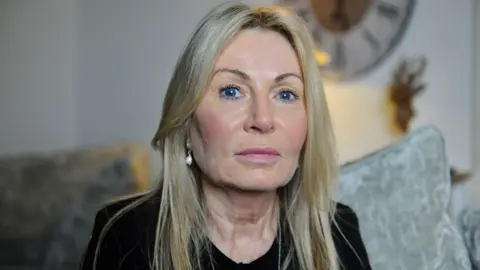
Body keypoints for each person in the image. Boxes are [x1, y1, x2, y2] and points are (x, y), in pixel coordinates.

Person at [80, 2, 371, 270]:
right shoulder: (124, 236)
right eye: (231, 91)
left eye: (285, 94)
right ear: (186, 121)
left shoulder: (337, 233)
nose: (263, 120)